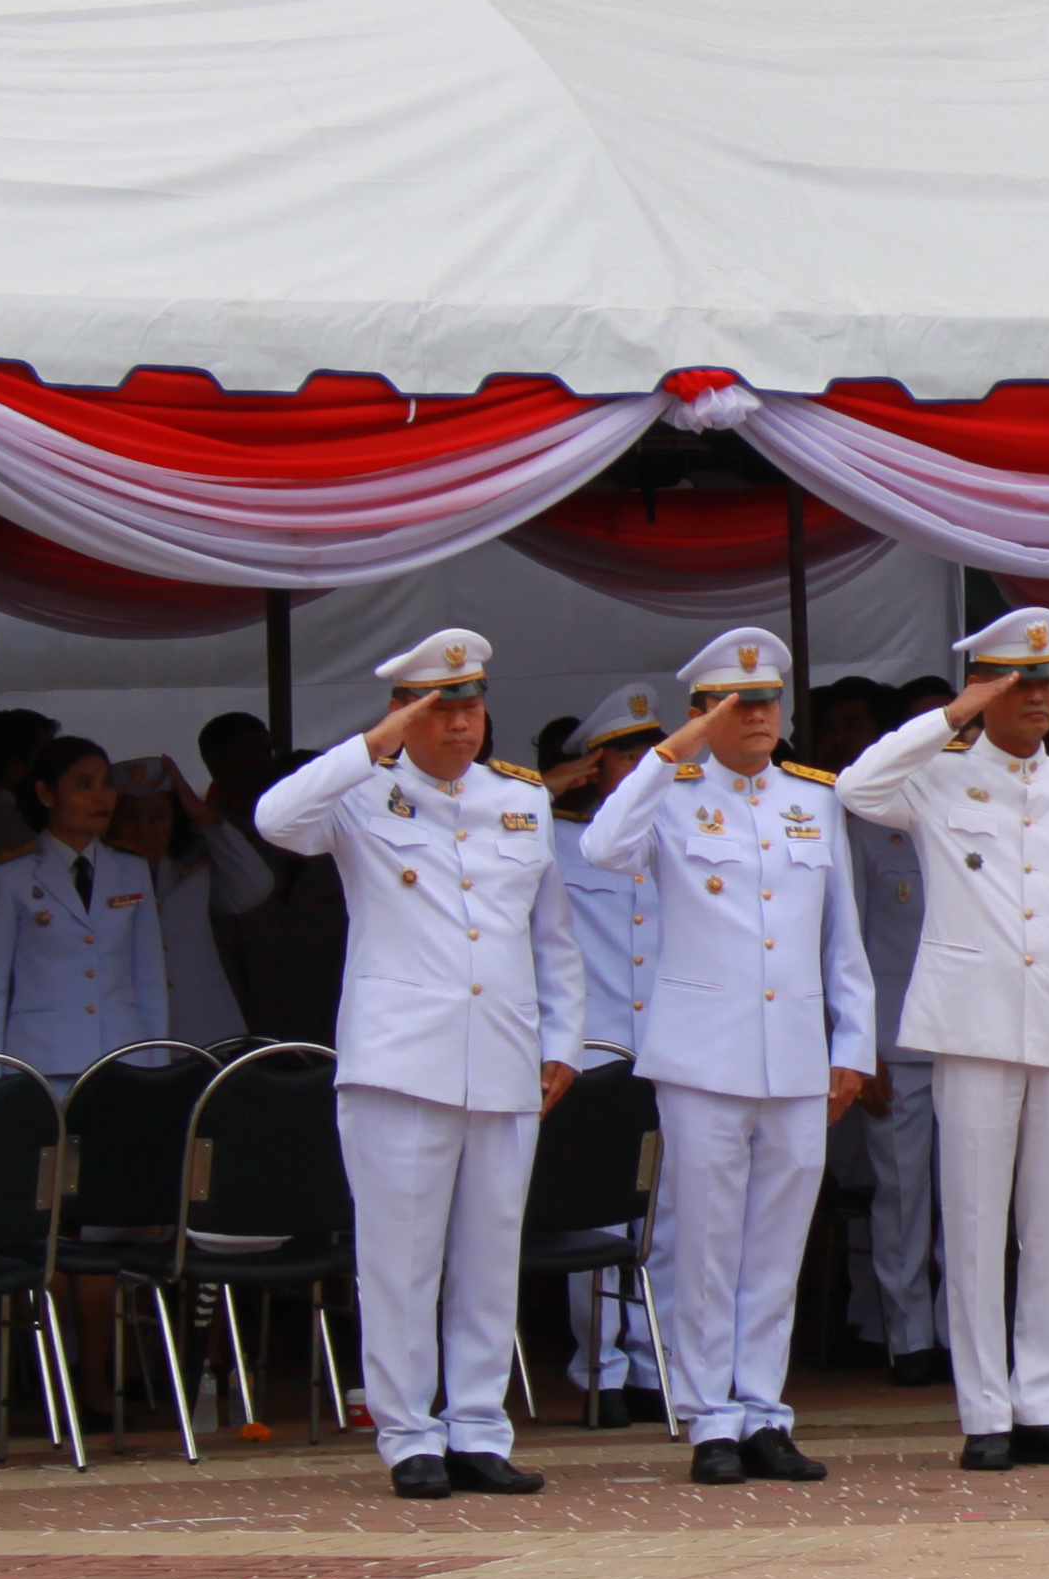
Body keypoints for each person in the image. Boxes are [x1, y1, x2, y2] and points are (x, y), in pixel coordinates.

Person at [251, 628, 586, 1502]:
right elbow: (274, 820)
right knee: (400, 1259)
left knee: (490, 1256)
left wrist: (563, 1041)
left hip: (503, 1054)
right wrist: (373, 745)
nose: (463, 726)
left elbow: (552, 934)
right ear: (405, 713)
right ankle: (407, 1433)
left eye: (472, 708)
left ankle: (477, 1426)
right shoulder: (361, 793)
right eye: (442, 711)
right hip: (400, 1061)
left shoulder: (520, 797)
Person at [835, 605, 1049, 1473]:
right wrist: (953, 714)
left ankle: (1045, 1403)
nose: (1038, 697)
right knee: (972, 1221)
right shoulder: (937, 774)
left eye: (1047, 683)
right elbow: (856, 787)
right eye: (1018, 683)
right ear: (985, 690)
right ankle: (985, 1411)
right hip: (972, 1024)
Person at [581, 627, 876, 1484]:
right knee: (705, 1244)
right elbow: (601, 848)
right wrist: (670, 754)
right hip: (702, 1054)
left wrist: (853, 1042)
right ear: (703, 714)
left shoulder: (813, 798)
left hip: (795, 1053)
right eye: (736, 704)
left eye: (767, 701)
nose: (756, 716)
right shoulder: (671, 793)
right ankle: (710, 1415)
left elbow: (842, 936)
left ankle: (763, 1412)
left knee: (777, 1245)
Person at [544, 682, 675, 1418]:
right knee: (595, 1220)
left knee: (668, 1217)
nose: (639, 770)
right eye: (624, 758)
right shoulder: (553, 837)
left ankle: (660, 1365)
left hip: (668, 1050)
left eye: (649, 756)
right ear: (593, 767)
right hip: (592, 1054)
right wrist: (549, 787)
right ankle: (601, 1368)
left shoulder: (676, 834)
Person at [834, 738, 947, 1386]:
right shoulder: (868, 829)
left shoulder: (969, 820)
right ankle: (908, 1338)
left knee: (967, 1201)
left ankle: (959, 1335)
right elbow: (847, 943)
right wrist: (861, 1046)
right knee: (902, 1197)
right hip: (895, 1042)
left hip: (965, 1038)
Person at [0, 735, 168, 1079]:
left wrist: (158, 1069)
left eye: (106, 784)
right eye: (84, 785)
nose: (101, 796)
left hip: (124, 1057)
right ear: (46, 794)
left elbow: (149, 979)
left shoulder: (131, 869)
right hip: (42, 1062)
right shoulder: (10, 876)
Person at [104, 757, 274, 1049]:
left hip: (205, 1029)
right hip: (131, 1034)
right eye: (130, 818)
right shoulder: (95, 875)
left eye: (158, 817)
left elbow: (255, 886)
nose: (144, 829)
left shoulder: (194, 867)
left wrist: (204, 816)